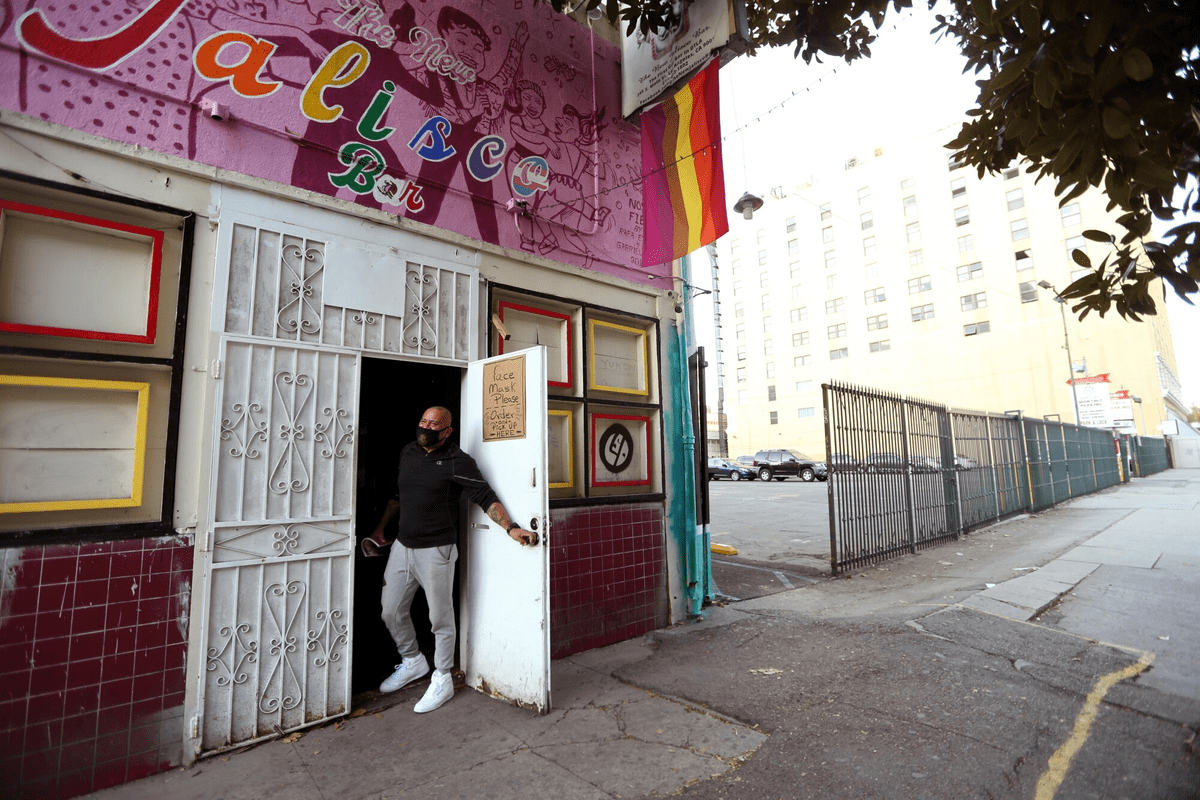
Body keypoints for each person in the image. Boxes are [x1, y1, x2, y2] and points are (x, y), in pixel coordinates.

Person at [363, 405, 537, 713]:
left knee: (439, 618)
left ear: (447, 431)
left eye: (434, 423)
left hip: (437, 550)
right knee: (390, 610)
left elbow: (485, 496)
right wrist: (381, 530)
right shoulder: (408, 452)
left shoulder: (459, 462)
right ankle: (413, 660)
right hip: (403, 547)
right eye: (423, 420)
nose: (427, 427)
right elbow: (399, 495)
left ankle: (442, 677)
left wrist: (510, 527)